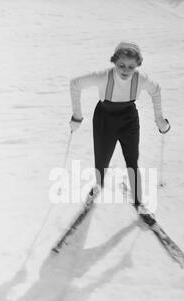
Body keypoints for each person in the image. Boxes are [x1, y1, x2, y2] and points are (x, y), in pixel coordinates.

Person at [69, 41, 170, 214]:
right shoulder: (103, 76)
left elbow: (156, 90)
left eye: (131, 66)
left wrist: (159, 119)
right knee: (101, 160)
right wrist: (77, 116)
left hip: (128, 119)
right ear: (114, 62)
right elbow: (75, 84)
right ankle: (98, 185)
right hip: (104, 120)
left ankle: (139, 201)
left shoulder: (140, 79)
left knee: (132, 160)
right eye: (121, 65)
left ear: (137, 65)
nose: (125, 70)